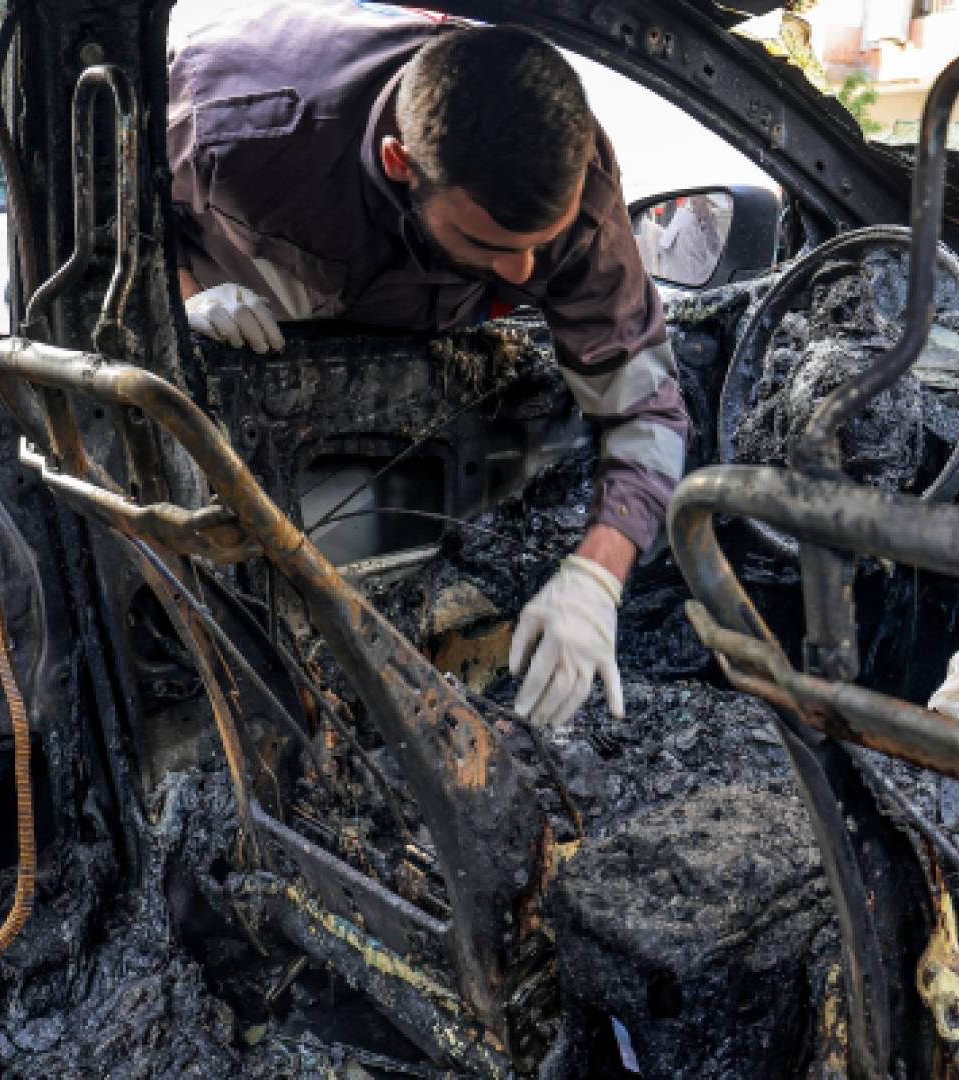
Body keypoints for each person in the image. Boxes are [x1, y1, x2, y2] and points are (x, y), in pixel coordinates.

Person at [166, 0, 690, 731]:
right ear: (399, 164)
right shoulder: (235, 126)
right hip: (253, 302)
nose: (526, 270)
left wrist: (598, 574)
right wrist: (180, 296)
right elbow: (96, 209)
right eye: (494, 244)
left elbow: (644, 404)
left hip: (430, 312)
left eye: (542, 242)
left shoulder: (579, 189)